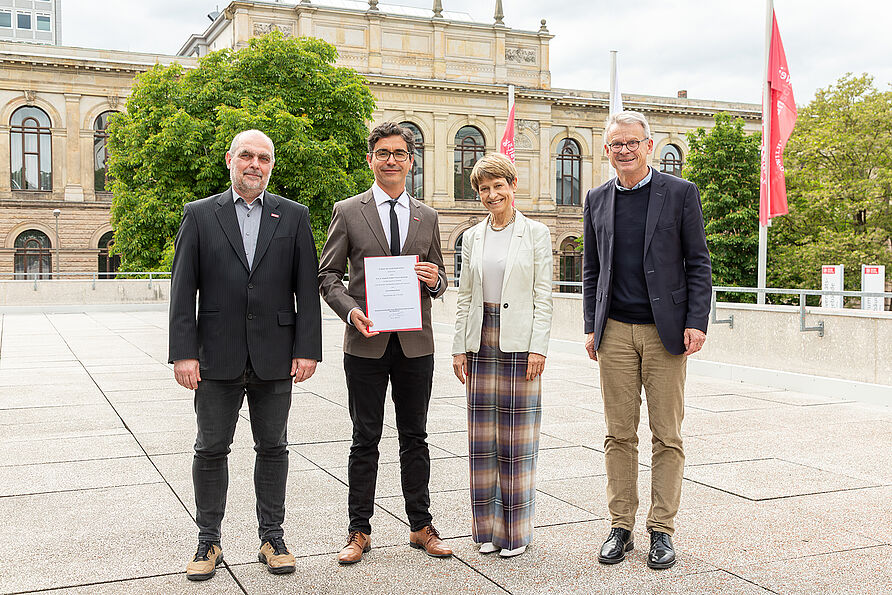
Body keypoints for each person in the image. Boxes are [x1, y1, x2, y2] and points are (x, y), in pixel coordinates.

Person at [169, 130, 322, 581]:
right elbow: (183, 290)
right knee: (211, 448)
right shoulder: (199, 215)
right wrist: (184, 353)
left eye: (264, 158)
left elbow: (305, 292)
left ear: (271, 166)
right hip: (215, 355)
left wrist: (307, 349)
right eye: (247, 156)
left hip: (276, 355)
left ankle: (272, 537)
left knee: (273, 447)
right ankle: (208, 541)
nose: (255, 164)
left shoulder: (293, 216)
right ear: (230, 160)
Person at [582, 111, 712, 569]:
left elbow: (698, 262)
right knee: (619, 434)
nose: (624, 150)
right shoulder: (596, 198)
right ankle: (621, 526)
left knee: (667, 435)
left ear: (649, 145)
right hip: (614, 330)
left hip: (666, 332)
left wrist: (697, 320)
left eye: (632, 143)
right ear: (606, 149)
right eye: (616, 144)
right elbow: (591, 269)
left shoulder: (680, 193)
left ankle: (662, 529)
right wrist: (590, 326)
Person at [318, 122, 452, 565]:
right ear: (371, 159)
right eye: (383, 153)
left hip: (416, 344)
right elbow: (328, 276)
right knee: (365, 438)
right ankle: (359, 530)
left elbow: (439, 275)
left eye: (399, 153)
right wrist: (350, 311)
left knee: (416, 437)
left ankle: (421, 525)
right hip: (366, 342)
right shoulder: (348, 210)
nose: (391, 160)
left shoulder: (427, 215)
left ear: (411, 161)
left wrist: (436, 281)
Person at [452, 153, 553, 558]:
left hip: (519, 342)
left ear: (513, 186)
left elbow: (542, 296)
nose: (492, 194)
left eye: (498, 186)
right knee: (482, 444)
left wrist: (538, 348)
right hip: (481, 342)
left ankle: (516, 533)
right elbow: (465, 295)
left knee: (516, 442)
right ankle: (489, 531)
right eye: (484, 189)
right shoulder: (473, 236)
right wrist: (460, 346)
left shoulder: (537, 233)